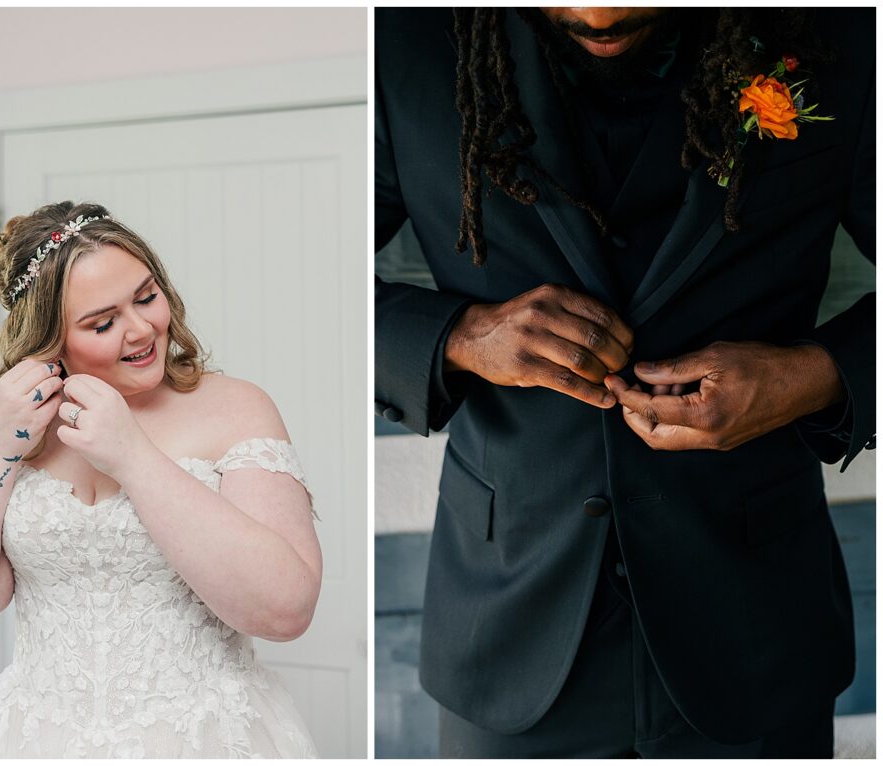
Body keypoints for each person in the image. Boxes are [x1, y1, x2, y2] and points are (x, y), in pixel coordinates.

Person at [375, 7, 874, 758]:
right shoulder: (397, 41)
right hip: (509, 630)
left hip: (757, 630)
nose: (598, 13)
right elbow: (297, 279)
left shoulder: (840, 32)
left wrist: (814, 376)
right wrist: (462, 338)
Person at [0, 201, 321, 758]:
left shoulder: (236, 408)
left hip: (203, 738)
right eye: (103, 322)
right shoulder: (22, 429)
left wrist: (133, 457)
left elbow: (285, 609)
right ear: (50, 337)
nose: (143, 328)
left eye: (146, 297)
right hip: (38, 739)